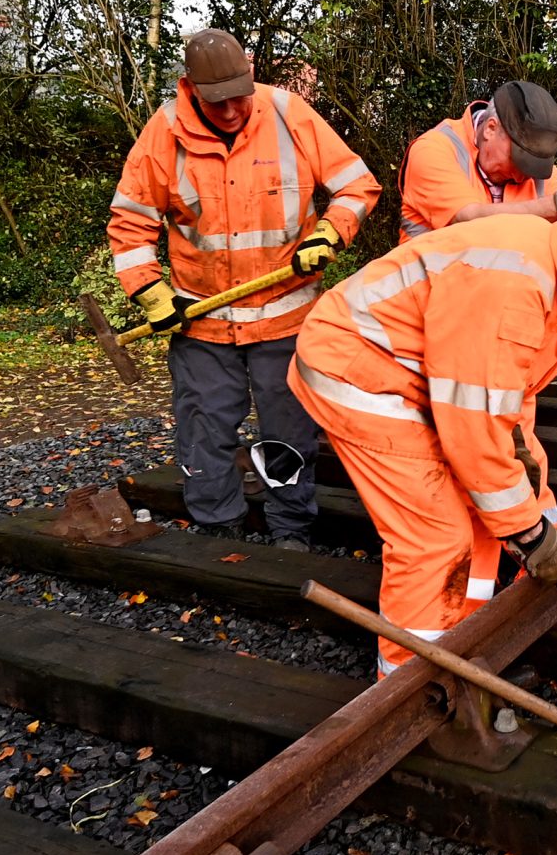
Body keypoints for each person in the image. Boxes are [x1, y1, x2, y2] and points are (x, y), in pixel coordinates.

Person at [289, 207, 557, 677]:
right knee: (436, 537)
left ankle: (463, 637)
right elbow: (474, 427)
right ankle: (410, 682)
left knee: (486, 516)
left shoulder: (554, 275)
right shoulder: (515, 287)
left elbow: (507, 410)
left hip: (423, 378)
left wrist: (543, 521)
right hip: (360, 371)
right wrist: (531, 535)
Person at [109, 28, 381, 550]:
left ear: (252, 73)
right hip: (203, 323)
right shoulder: (162, 135)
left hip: (286, 318)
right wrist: (150, 291)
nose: (233, 110)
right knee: (205, 431)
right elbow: (130, 222)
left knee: (288, 434)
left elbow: (356, 184)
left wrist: (330, 230)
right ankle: (217, 531)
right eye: (218, 101)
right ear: (190, 88)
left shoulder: (290, 115)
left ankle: (291, 530)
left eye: (240, 95)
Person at [398, 80, 557, 240]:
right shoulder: (434, 149)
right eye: (521, 161)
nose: (524, 175)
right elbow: (465, 221)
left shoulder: (539, 173)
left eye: (534, 165)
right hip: (428, 295)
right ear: (491, 129)